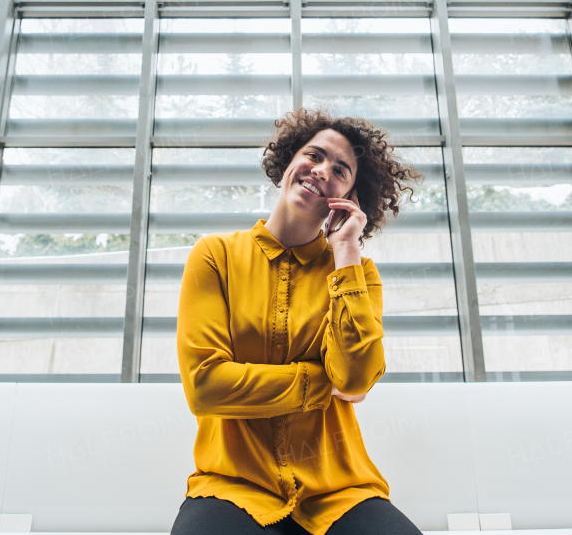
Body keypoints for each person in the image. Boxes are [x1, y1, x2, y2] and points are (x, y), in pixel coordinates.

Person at [170, 108, 424, 535]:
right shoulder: (214, 255)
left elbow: (356, 380)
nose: (322, 170)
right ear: (288, 161)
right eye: (314, 155)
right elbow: (206, 386)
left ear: (352, 196)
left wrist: (347, 252)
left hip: (341, 491)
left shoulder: (360, 275)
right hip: (233, 486)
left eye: (341, 170)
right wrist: (319, 383)